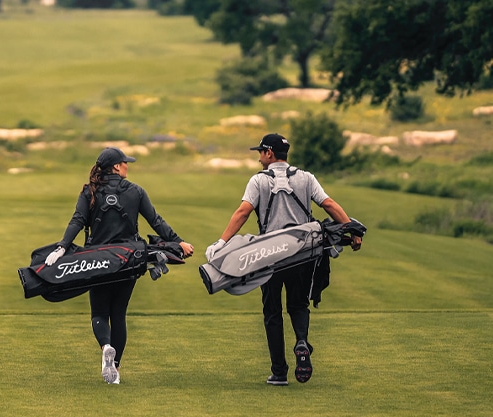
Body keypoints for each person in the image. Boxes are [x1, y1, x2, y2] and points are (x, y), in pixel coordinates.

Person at [205, 133, 362, 386]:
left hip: (269, 257)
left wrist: (221, 243)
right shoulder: (306, 177)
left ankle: (279, 372)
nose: (258, 158)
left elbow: (243, 211)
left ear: (269, 153)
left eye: (260, 153)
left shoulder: (258, 181)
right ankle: (301, 341)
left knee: (272, 312)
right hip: (303, 254)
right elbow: (329, 204)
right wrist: (352, 228)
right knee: (298, 305)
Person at [45, 146, 194, 384]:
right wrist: (178, 241)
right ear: (116, 166)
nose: (127, 166)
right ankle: (115, 369)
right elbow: (156, 221)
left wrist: (62, 246)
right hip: (128, 260)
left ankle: (106, 346)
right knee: (119, 314)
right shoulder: (135, 191)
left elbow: (78, 220)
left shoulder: (89, 191)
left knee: (100, 313)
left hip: (98, 260)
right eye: (125, 163)